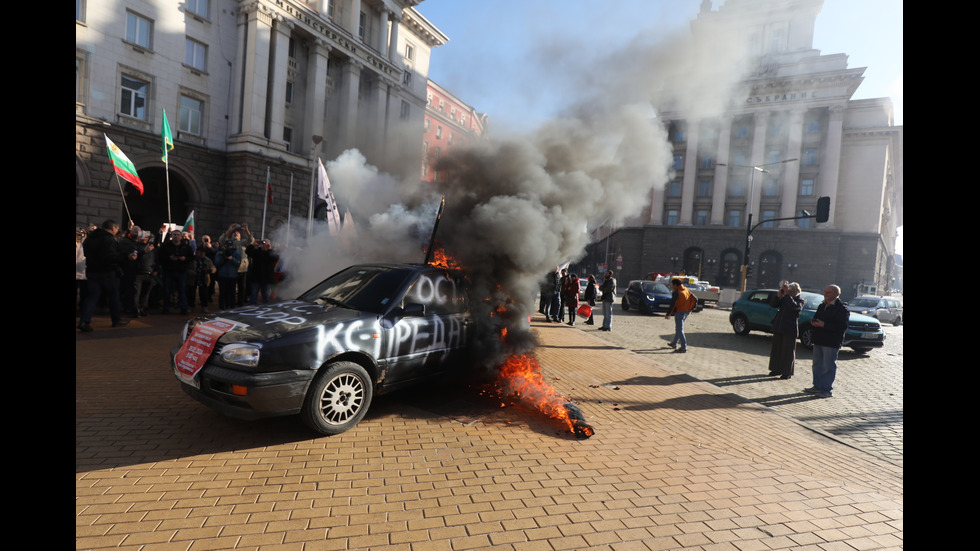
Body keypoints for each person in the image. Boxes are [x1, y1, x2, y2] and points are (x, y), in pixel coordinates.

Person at [77, 219, 129, 332]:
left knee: (91, 297)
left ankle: (84, 321)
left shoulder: (90, 238)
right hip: (107, 272)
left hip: (91, 271)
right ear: (113, 228)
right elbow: (110, 257)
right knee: (113, 296)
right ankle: (116, 319)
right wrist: (125, 257)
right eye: (116, 228)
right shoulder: (108, 239)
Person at [804, 285, 850, 398]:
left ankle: (826, 390)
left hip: (831, 342)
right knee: (817, 365)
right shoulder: (822, 305)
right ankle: (817, 387)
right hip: (819, 339)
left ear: (836, 294)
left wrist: (824, 324)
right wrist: (814, 322)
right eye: (825, 292)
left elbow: (842, 326)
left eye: (829, 292)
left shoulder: (842, 309)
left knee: (828, 366)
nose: (826, 294)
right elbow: (816, 317)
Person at [767, 281, 804, 379]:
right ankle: (776, 369)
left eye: (791, 291)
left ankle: (786, 372)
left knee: (787, 351)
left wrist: (787, 295)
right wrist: (778, 296)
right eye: (788, 291)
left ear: (796, 291)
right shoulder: (785, 298)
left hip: (789, 329)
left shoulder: (800, 301)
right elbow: (773, 304)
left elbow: (794, 306)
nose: (789, 292)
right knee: (776, 349)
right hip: (779, 326)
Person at [664, 278, 697, 352]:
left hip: (679, 312)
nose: (672, 286)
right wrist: (691, 308)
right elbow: (695, 299)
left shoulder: (676, 292)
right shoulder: (686, 290)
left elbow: (672, 304)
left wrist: (668, 314)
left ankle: (683, 347)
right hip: (685, 312)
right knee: (679, 329)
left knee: (679, 330)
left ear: (675, 285)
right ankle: (674, 343)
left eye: (672, 285)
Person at [245, 238, 279, 305]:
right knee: (253, 296)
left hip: (266, 279)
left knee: (266, 297)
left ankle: (265, 311)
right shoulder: (257, 252)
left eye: (264, 243)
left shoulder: (271, 253)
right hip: (256, 278)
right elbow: (247, 251)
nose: (262, 245)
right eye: (262, 243)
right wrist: (252, 244)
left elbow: (275, 257)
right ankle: (252, 310)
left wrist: (269, 249)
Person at [214, 239, 242, 310]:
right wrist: (223, 257)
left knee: (232, 293)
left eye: (230, 245)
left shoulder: (236, 253)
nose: (229, 247)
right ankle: (221, 307)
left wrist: (231, 258)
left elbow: (238, 263)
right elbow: (217, 263)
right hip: (222, 276)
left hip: (232, 276)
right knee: (222, 293)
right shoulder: (220, 253)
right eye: (227, 245)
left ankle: (232, 307)